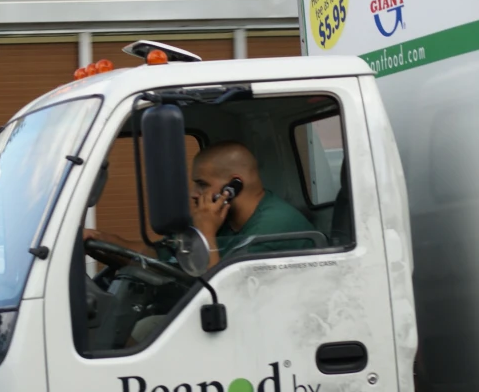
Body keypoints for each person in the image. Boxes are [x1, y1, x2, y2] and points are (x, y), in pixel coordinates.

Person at [83, 141, 317, 345]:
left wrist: (205, 230)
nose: (194, 193)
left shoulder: (274, 226)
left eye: (202, 184)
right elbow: (158, 254)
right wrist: (96, 239)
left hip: (254, 332)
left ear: (234, 185)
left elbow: (222, 299)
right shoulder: (222, 220)